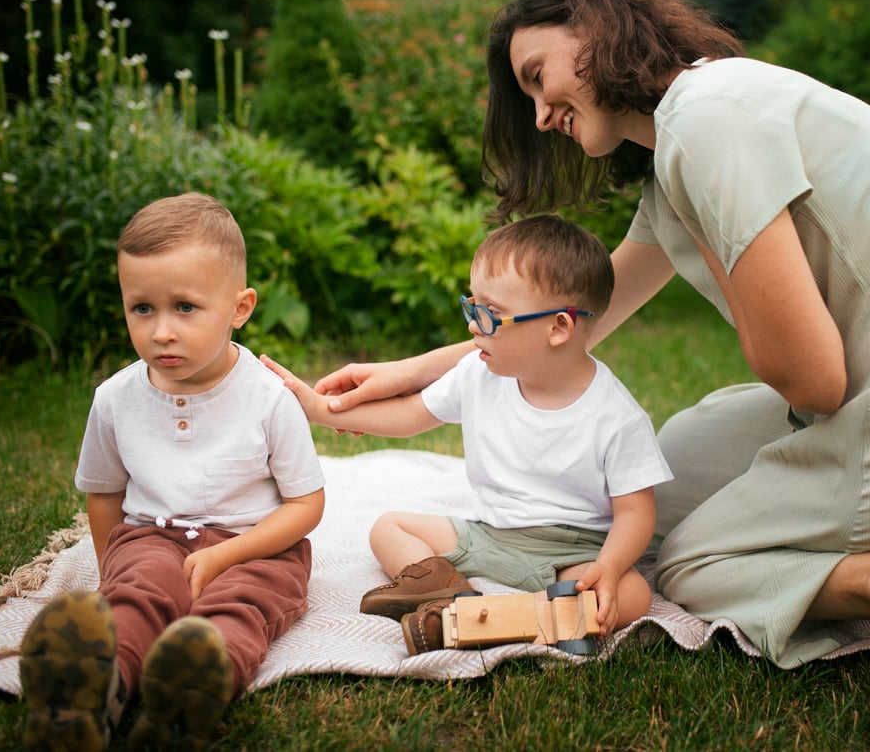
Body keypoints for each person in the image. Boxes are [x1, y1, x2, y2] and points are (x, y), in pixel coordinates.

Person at [312, 0, 870, 746]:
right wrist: (413, 370)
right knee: (669, 471)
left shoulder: (706, 124)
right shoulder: (703, 124)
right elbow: (585, 316)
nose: (540, 116)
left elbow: (813, 377)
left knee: (687, 565)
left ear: (597, 29)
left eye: (540, 78)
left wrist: (716, 229)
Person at [262, 215, 671, 655]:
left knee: (631, 594)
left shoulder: (616, 416)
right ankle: (445, 595)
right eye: (472, 306)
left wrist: (607, 567)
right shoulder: (479, 372)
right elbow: (411, 414)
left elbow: (635, 515)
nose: (474, 326)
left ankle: (514, 615)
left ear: (558, 328)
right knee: (389, 527)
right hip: (489, 534)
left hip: (570, 551)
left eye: (491, 314)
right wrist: (320, 409)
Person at [19, 193, 326, 751]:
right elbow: (105, 492)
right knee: (139, 591)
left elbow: (306, 506)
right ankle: (93, 686)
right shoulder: (115, 399)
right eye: (142, 308)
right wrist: (114, 565)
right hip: (152, 534)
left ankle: (189, 689)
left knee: (240, 604)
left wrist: (226, 555)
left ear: (240, 307)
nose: (161, 331)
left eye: (185, 307)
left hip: (255, 545)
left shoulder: (266, 398)